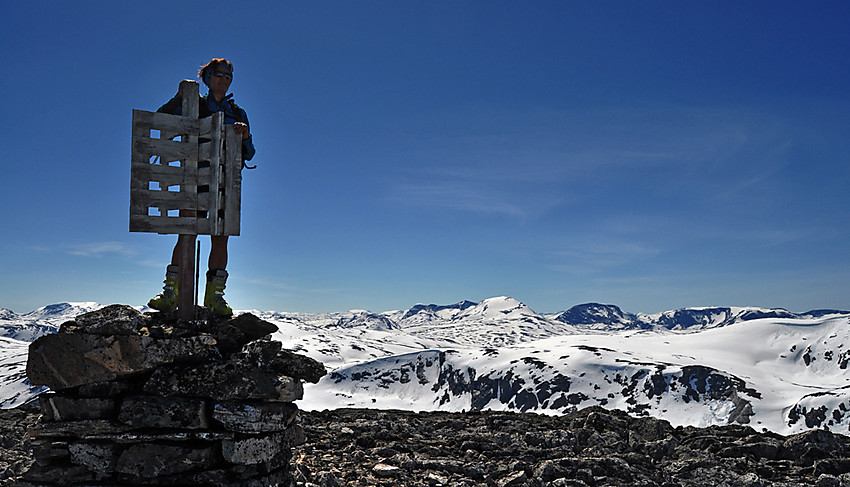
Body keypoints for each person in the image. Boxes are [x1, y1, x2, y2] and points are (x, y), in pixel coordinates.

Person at [148, 58, 256, 316]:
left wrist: (246, 137)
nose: (224, 79)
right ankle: (170, 293)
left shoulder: (238, 113)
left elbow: (249, 154)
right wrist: (178, 97)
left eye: (228, 75)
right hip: (194, 178)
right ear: (206, 78)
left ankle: (215, 298)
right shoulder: (191, 103)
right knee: (187, 232)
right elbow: (161, 120)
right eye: (219, 74)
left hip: (224, 182)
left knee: (221, 236)